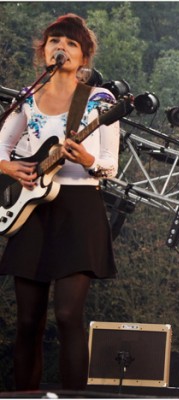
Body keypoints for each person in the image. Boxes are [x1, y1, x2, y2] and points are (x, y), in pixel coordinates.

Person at [0, 14, 119, 391]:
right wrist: (12, 168)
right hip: (32, 211)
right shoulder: (27, 97)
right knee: (28, 321)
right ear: (43, 50)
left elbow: (110, 167)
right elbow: (2, 146)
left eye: (70, 44)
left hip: (79, 210)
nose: (61, 48)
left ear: (84, 57)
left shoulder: (100, 100)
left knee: (68, 315)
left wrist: (88, 160)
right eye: (54, 41)